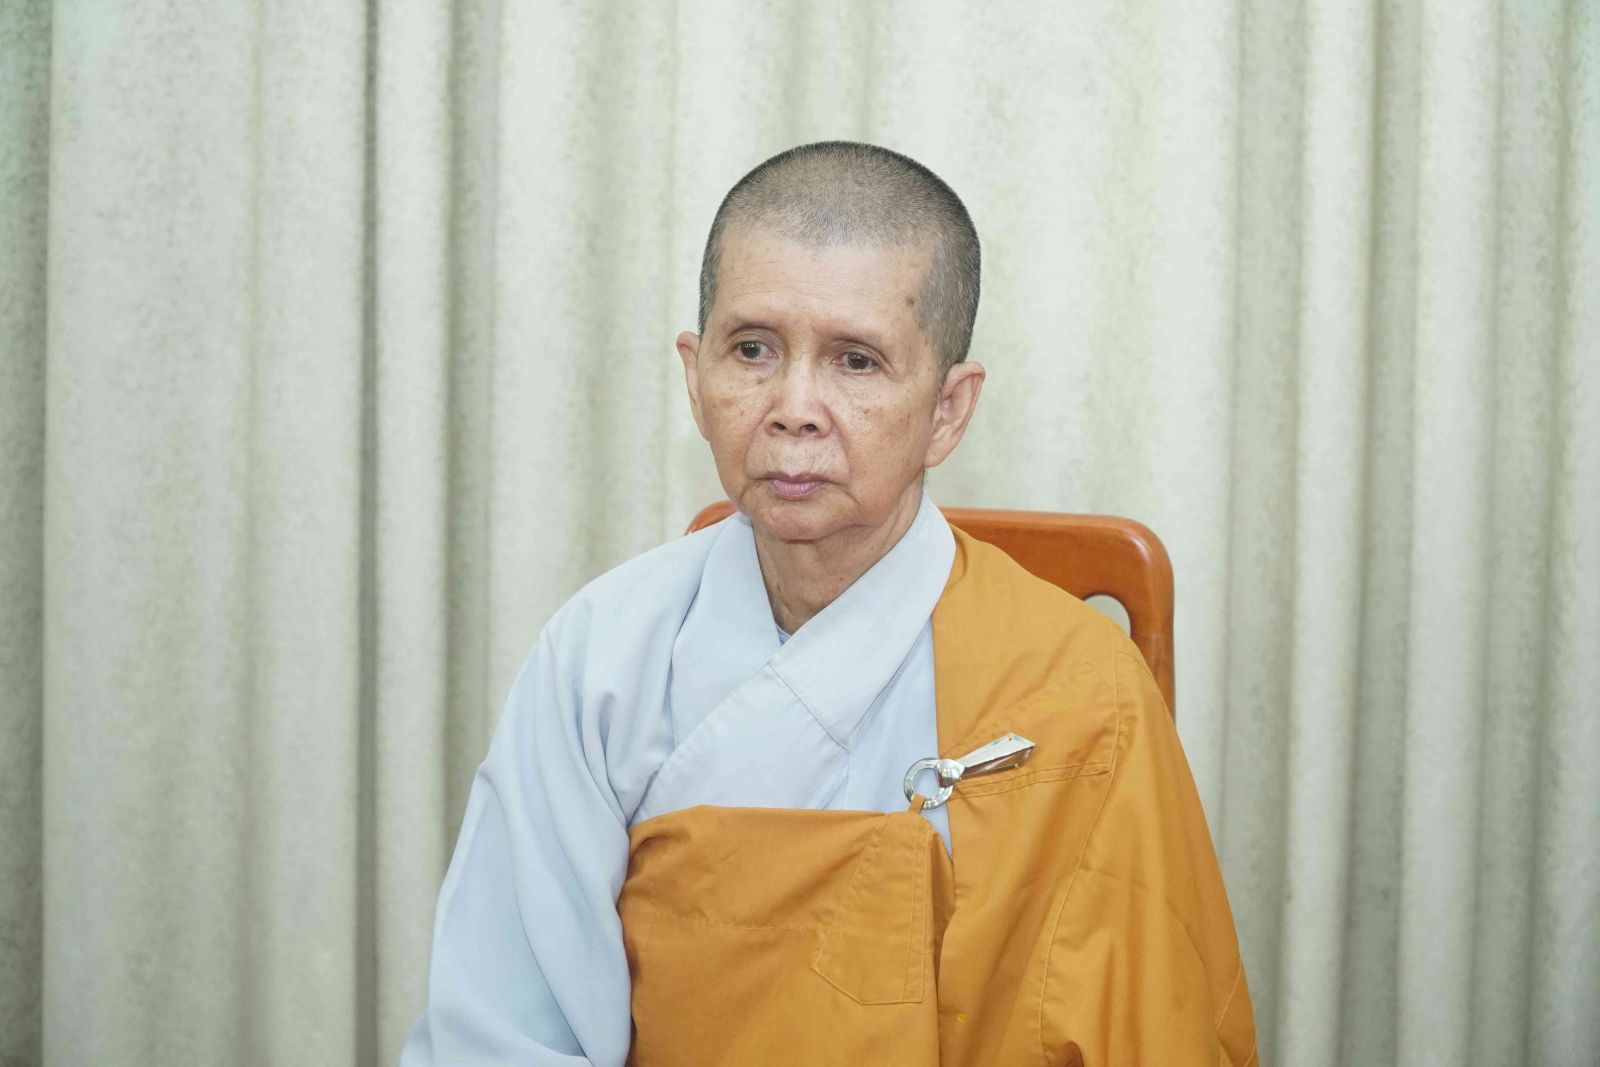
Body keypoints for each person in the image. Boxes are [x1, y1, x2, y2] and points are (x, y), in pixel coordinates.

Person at [402, 141, 1257, 1066]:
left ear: (947, 410)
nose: (794, 407)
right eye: (752, 350)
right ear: (695, 375)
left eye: (856, 360)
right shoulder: (599, 660)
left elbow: (1150, 1030)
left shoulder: (1078, 692)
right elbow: (502, 1027)